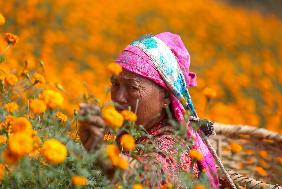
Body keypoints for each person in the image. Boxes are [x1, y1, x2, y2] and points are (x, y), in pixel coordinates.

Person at [79, 32, 220, 188]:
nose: (118, 97)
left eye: (133, 87)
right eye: (115, 84)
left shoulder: (174, 144)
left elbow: (151, 175)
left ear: (166, 97)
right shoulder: (123, 132)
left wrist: (105, 156)